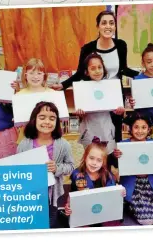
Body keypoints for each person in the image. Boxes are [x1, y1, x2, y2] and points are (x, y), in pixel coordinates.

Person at [51, 10, 139, 144]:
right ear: (98, 26)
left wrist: (144, 76)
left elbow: (123, 69)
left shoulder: (121, 45)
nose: (108, 26)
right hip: (94, 95)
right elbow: (81, 72)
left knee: (115, 130)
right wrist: (64, 85)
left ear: (115, 26)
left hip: (114, 95)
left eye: (111, 23)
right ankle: (96, 161)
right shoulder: (88, 48)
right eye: (104, 23)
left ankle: (114, 160)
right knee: (96, 131)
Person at [17, 101, 75, 228]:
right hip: (31, 191)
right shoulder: (25, 144)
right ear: (34, 120)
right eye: (42, 117)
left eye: (52, 118)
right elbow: (18, 168)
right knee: (31, 221)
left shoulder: (63, 144)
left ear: (57, 122)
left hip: (53, 192)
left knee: (49, 221)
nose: (47, 122)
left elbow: (71, 166)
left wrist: (57, 168)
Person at [115, 112, 153, 225]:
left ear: (149, 129)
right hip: (134, 184)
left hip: (152, 182)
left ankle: (149, 206)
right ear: (131, 129)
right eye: (136, 127)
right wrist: (116, 156)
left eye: (144, 127)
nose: (140, 131)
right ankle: (132, 206)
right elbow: (120, 165)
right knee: (147, 221)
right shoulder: (124, 144)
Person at [75, 52, 124, 172]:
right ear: (86, 71)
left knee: (105, 156)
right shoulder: (82, 88)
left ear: (104, 68)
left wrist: (119, 111)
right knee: (91, 156)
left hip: (105, 126)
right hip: (89, 127)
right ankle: (91, 182)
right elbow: (80, 111)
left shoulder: (110, 86)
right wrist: (80, 112)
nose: (97, 71)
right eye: (93, 68)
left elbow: (116, 108)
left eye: (99, 67)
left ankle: (106, 180)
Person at [64, 142, 126, 227]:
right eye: (91, 158)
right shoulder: (77, 175)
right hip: (85, 212)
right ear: (85, 157)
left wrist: (121, 192)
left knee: (113, 224)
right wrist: (68, 206)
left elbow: (114, 194)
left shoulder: (108, 176)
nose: (94, 163)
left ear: (103, 162)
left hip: (103, 212)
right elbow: (71, 195)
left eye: (99, 160)